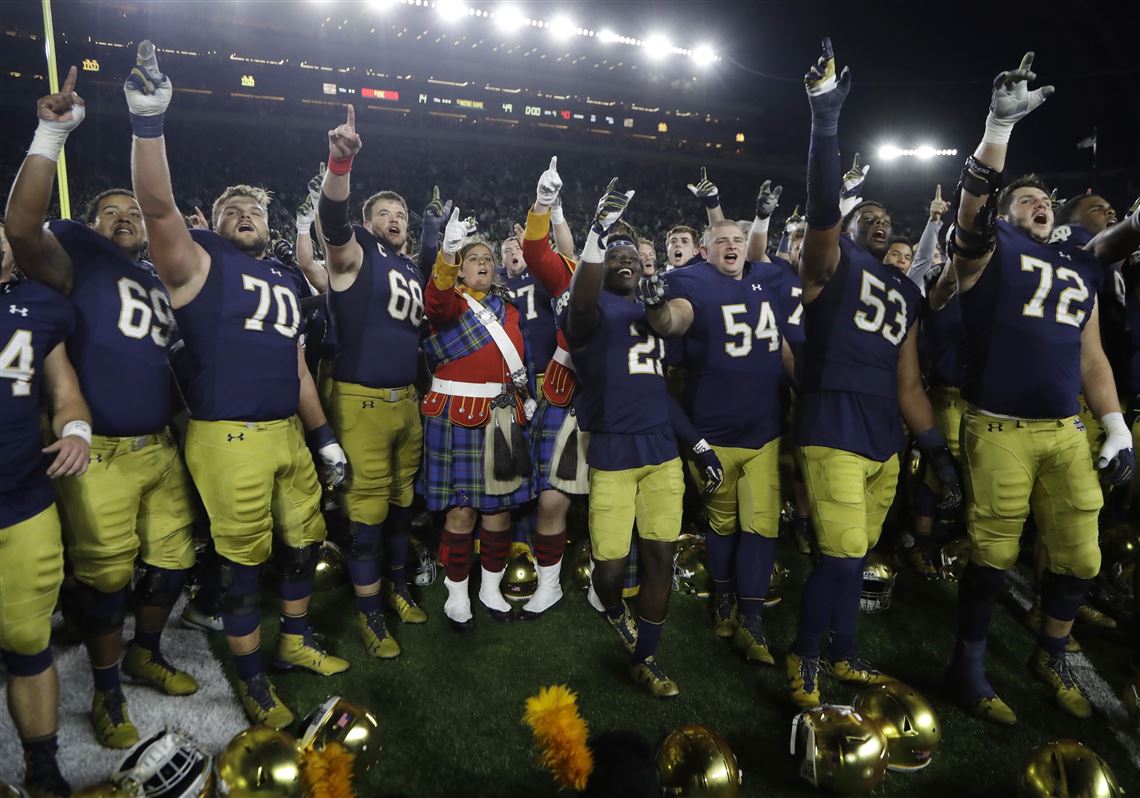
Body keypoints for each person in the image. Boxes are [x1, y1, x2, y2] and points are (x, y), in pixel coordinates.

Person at [124, 41, 349, 729]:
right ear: (214, 224)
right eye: (232, 208)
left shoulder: (282, 276)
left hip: (287, 433)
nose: (245, 212)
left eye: (254, 208)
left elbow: (297, 366)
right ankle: (251, 681)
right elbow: (157, 208)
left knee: (304, 544)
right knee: (243, 567)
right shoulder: (199, 264)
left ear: (270, 224)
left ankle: (294, 644)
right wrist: (149, 124)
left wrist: (324, 437)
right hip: (229, 437)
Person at [933, 53, 1139, 725]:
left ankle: (1050, 653)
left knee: (1081, 555)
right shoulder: (988, 252)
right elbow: (970, 214)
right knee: (992, 557)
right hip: (997, 426)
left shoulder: (1076, 265)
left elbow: (1093, 356)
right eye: (1025, 199)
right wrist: (998, 129)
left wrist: (1115, 425)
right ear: (1005, 212)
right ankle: (967, 666)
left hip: (1065, 428)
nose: (1040, 203)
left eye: (1044, 198)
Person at [6, 68, 203, 749]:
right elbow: (21, 226)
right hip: (101, 452)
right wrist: (51, 135)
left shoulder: (156, 276)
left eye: (133, 211)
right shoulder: (77, 260)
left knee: (174, 562)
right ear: (89, 225)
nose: (125, 217)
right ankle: (107, 691)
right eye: (110, 211)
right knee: (105, 582)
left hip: (160, 447)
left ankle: (145, 653)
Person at [785, 38, 961, 710]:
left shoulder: (906, 291)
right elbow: (822, 209)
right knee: (838, 554)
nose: (881, 223)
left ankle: (845, 650)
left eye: (888, 219)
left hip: (885, 433)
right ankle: (805, 655)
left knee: (855, 556)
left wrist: (935, 451)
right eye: (870, 216)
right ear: (850, 225)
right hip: (832, 422)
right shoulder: (830, 263)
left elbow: (909, 381)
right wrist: (826, 122)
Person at [644, 218, 793, 666]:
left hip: (765, 430)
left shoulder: (770, 276)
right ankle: (725, 598)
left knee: (762, 525)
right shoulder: (691, 281)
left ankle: (753, 619)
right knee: (723, 524)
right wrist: (655, 306)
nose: (731, 246)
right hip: (713, 431)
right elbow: (674, 321)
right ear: (705, 250)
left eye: (738, 240)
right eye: (721, 241)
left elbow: (786, 346)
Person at [562, 179, 685, 697]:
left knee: (660, 558)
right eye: (616, 254)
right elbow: (579, 308)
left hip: (662, 452)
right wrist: (598, 232)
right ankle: (615, 612)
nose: (626, 260)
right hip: (612, 450)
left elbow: (664, 380)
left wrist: (695, 442)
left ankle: (647, 657)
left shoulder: (654, 308)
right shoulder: (589, 308)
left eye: (632, 254)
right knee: (609, 572)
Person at [317, 106, 429, 660]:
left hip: (405, 402)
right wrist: (340, 163)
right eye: (383, 212)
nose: (394, 218)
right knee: (365, 513)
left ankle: (399, 587)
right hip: (360, 400)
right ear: (369, 220)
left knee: (402, 505)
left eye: (400, 213)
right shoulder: (356, 251)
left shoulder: (409, 268)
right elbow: (333, 223)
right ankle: (370, 616)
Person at [0, 229, 91, 797]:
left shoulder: (40, 306)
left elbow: (64, 393)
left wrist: (76, 430)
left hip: (23, 500)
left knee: (28, 642)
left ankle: (42, 765)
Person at [422, 208, 536, 631]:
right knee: (461, 512)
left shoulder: (509, 309)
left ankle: (489, 588)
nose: (483, 263)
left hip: (502, 417)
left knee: (499, 511)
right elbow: (436, 301)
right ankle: (456, 595)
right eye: (474, 259)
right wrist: (448, 252)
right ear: (462, 269)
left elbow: (519, 359)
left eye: (488, 258)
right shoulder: (449, 302)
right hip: (456, 419)